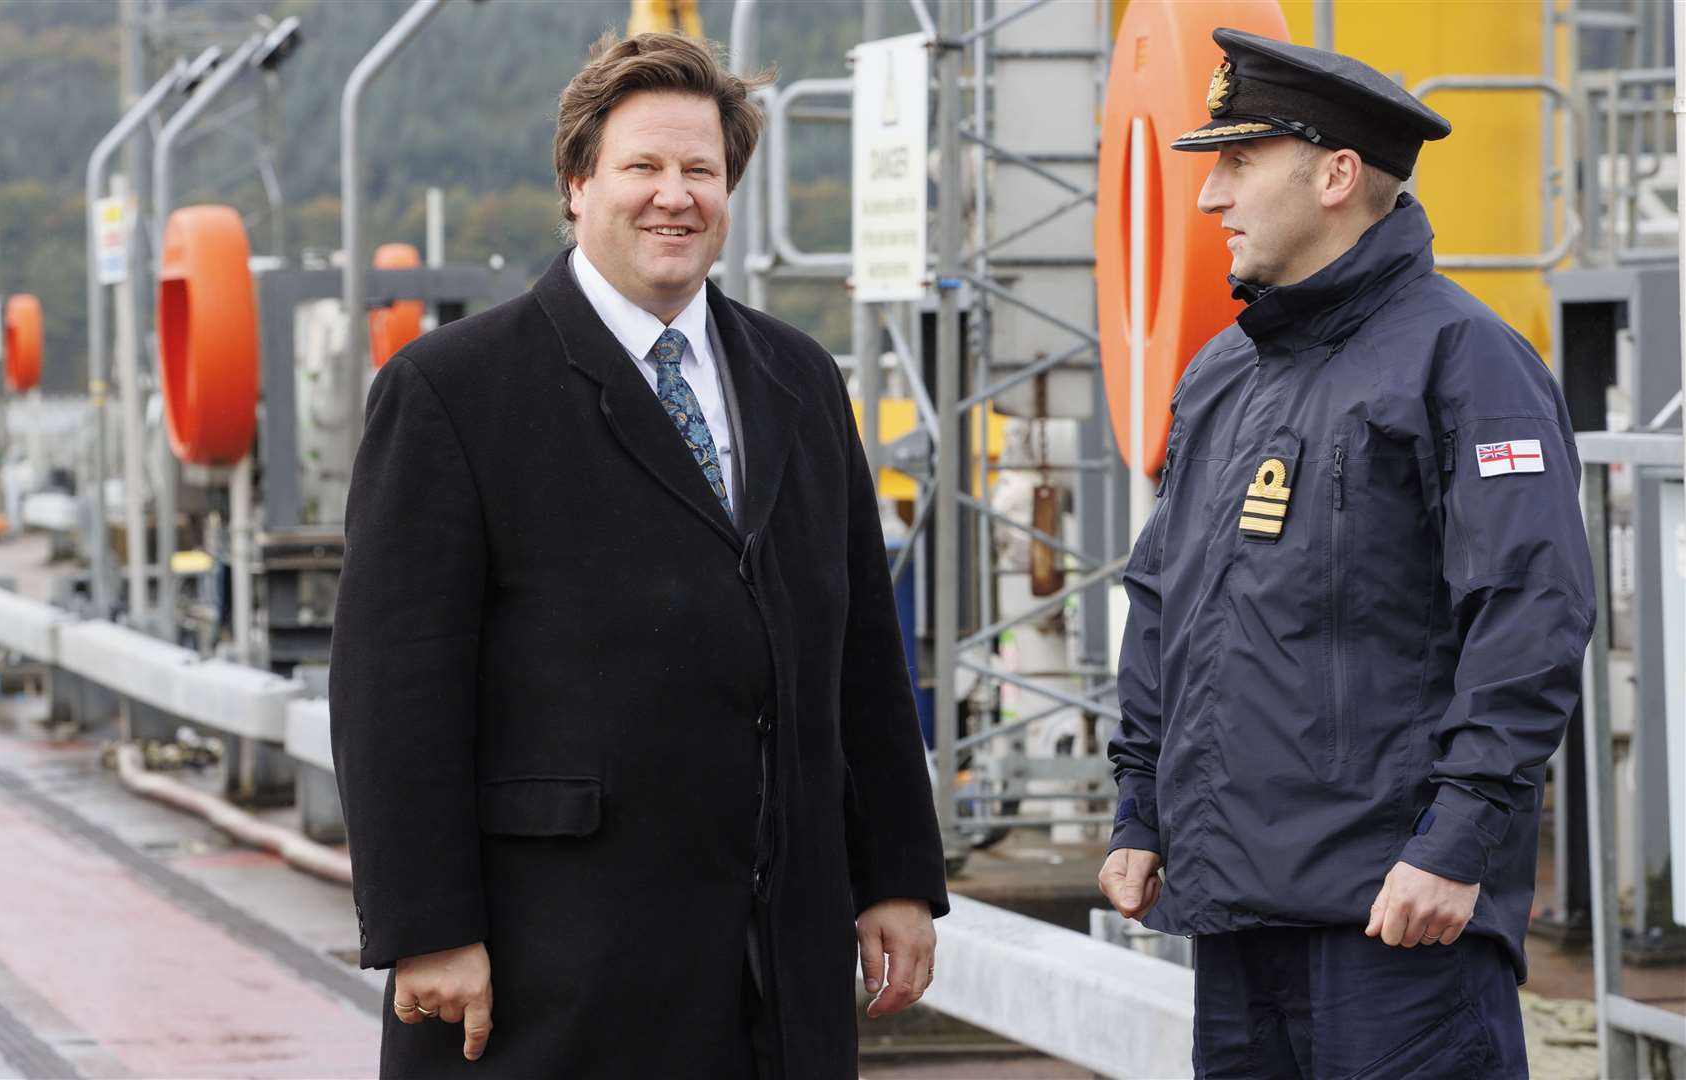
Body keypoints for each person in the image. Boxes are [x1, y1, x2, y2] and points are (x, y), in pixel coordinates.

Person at [329, 31, 947, 1080]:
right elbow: (395, 686)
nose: (675, 197)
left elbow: (858, 654)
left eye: (701, 171)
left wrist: (893, 873)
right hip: (557, 964)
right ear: (576, 185)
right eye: (643, 168)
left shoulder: (797, 379)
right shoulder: (454, 390)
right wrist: (426, 926)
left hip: (774, 970)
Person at [1100, 28, 1593, 1078]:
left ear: (1334, 174)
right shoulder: (1223, 374)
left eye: (1237, 163)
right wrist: (1138, 809)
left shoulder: (1465, 361)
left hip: (1396, 919)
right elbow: (1162, 604)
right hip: (1235, 913)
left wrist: (1453, 844)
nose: (1207, 199)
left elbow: (1530, 612)